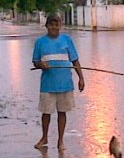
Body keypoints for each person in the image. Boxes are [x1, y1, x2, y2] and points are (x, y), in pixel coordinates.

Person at [32, 14, 85, 150]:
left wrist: (81, 78)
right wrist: (41, 64)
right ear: (46, 26)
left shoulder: (67, 40)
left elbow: (75, 60)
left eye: (57, 24)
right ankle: (44, 138)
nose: (54, 27)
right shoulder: (40, 42)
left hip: (65, 84)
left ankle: (60, 141)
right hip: (47, 85)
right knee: (46, 113)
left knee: (62, 112)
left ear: (60, 25)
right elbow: (35, 61)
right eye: (51, 25)